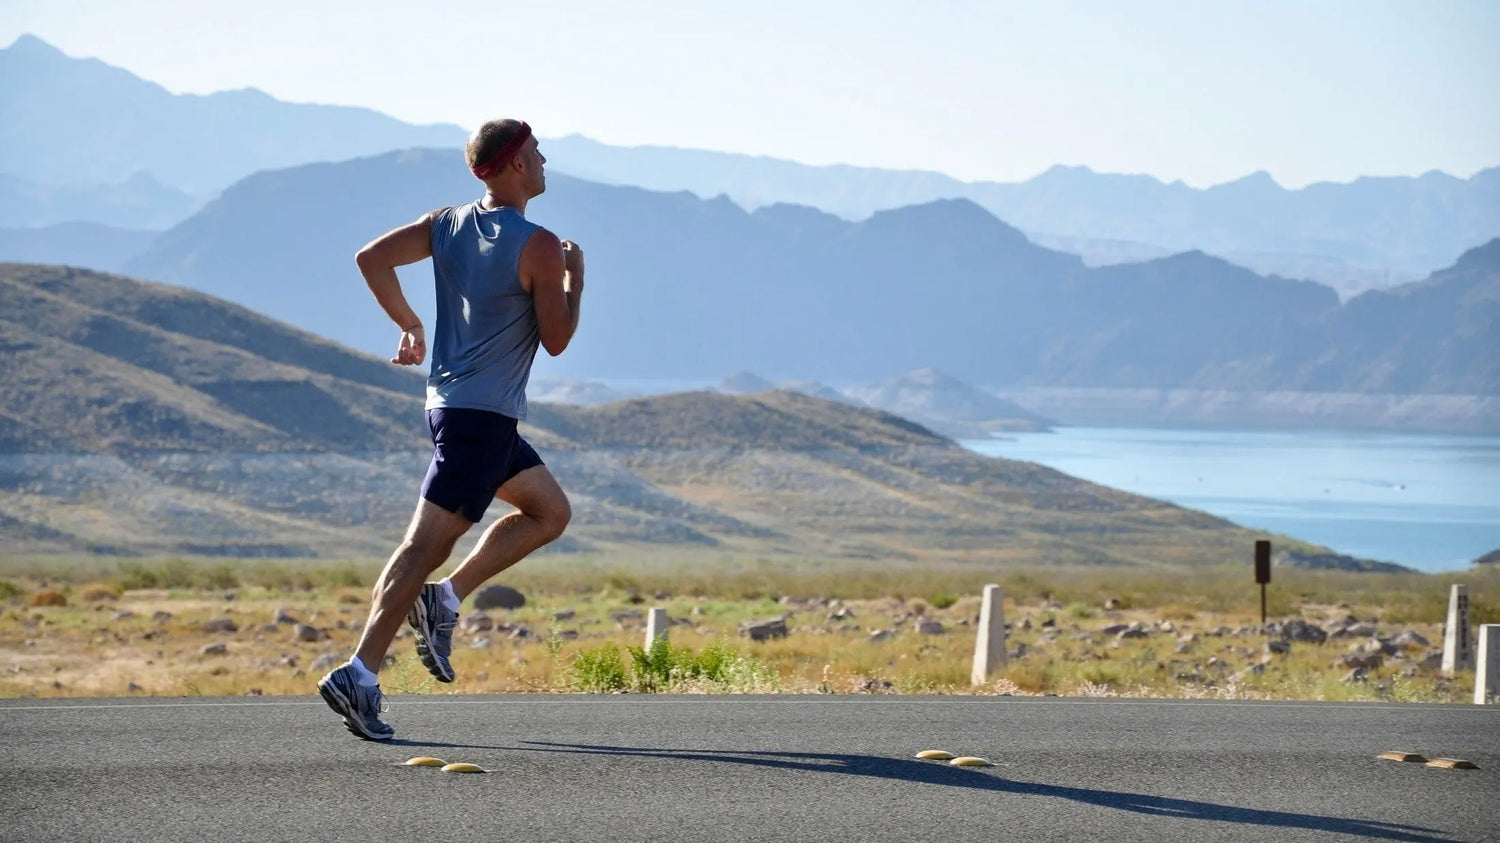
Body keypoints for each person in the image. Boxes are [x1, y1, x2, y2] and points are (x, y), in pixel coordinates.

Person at [318, 119, 584, 740]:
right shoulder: (540, 245)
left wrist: (409, 323)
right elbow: (558, 339)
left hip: (456, 410)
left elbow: (371, 257)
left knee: (549, 512)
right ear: (516, 164)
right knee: (422, 546)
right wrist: (576, 280)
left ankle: (445, 598)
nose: (545, 164)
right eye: (538, 155)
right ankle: (359, 672)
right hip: (481, 419)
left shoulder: (446, 223)